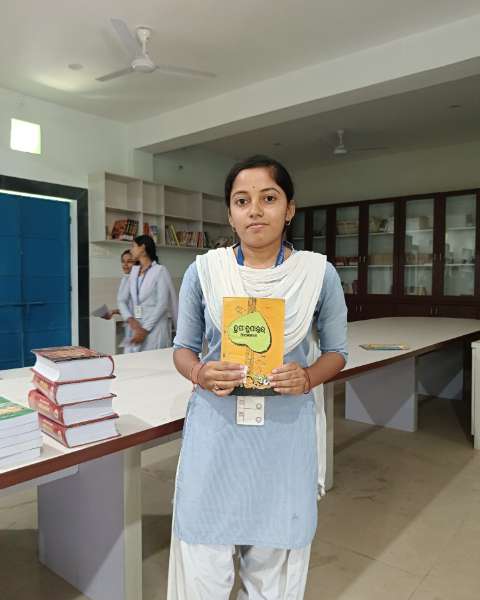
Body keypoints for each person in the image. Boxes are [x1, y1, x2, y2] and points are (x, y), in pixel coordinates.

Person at [168, 155, 348, 599]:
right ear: (230, 213)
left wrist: (308, 378)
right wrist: (200, 372)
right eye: (242, 201)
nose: (255, 211)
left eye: (269, 198)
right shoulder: (205, 272)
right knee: (203, 557)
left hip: (283, 438)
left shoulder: (317, 274)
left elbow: (337, 353)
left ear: (289, 209)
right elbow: (182, 349)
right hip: (217, 433)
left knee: (275, 562)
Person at [118, 235, 178, 352]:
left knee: (152, 360)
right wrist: (130, 319)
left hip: (155, 329)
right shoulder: (134, 272)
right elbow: (122, 300)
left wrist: (145, 330)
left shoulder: (160, 271)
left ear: (143, 248)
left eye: (134, 246)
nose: (131, 250)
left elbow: (162, 304)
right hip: (137, 328)